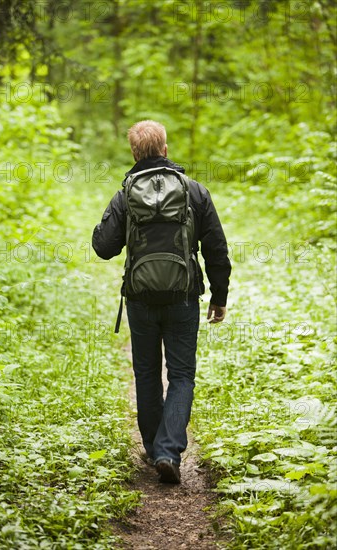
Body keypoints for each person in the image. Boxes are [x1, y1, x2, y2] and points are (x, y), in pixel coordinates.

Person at [92, 120, 231, 484]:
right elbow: (217, 249)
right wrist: (219, 296)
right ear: (165, 149)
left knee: (148, 372)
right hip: (183, 297)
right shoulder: (194, 192)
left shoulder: (125, 194)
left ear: (135, 153)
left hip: (140, 298)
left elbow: (103, 247)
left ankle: (155, 450)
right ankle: (169, 451)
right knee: (182, 374)